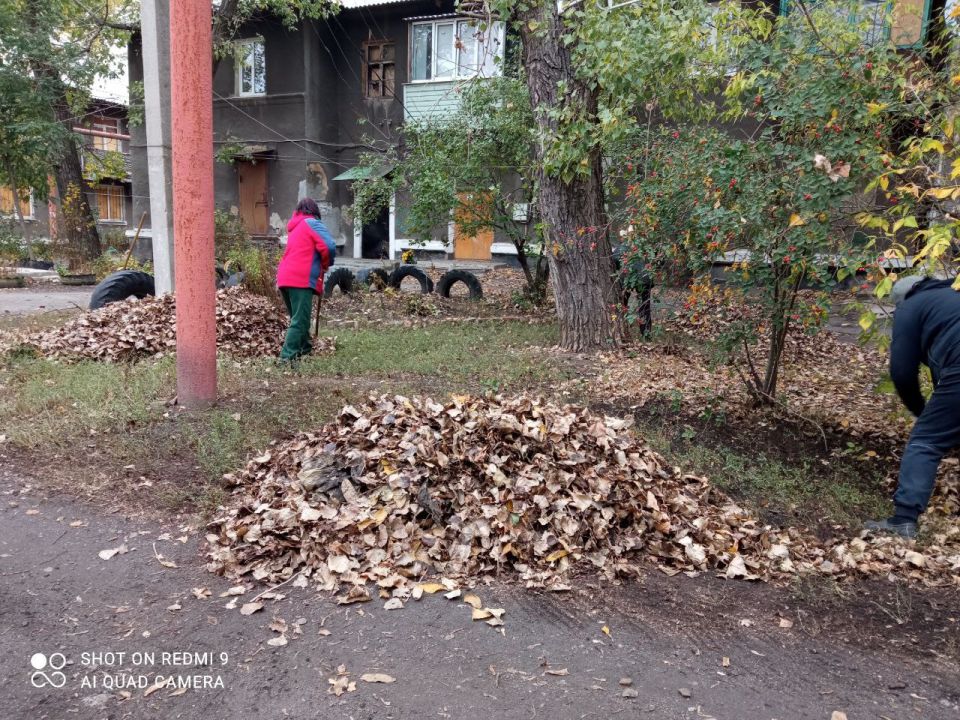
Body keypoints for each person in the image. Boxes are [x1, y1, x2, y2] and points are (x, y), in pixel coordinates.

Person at [865, 275, 960, 539]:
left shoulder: (911, 306)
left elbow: (902, 373)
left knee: (926, 441)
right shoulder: (951, 295)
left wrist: (921, 411)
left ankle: (903, 520)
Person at [275, 198, 336, 362]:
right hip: (299, 279)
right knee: (300, 321)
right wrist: (326, 263)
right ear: (315, 211)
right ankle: (286, 359)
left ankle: (305, 350)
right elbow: (329, 246)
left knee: (298, 319)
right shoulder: (312, 223)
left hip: (284, 277)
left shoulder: (295, 227)